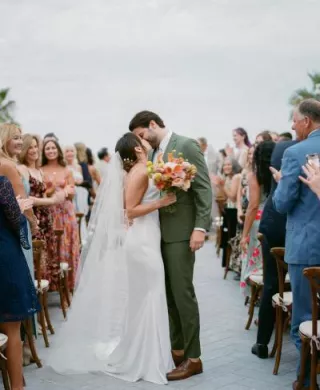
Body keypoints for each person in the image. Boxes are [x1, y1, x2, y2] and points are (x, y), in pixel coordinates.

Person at [47, 133, 177, 384]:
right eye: (141, 140)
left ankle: (148, 353)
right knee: (150, 294)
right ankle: (145, 358)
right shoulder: (139, 172)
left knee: (146, 296)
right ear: (138, 148)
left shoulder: (143, 168)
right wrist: (162, 202)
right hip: (141, 240)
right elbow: (129, 209)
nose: (146, 140)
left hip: (146, 236)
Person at [130, 110, 212, 381]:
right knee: (169, 297)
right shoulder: (153, 154)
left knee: (183, 294)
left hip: (181, 233)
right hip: (157, 234)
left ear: (153, 124)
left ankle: (194, 358)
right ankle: (178, 351)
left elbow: (202, 188)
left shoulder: (186, 145)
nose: (142, 141)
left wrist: (200, 228)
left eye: (143, 135)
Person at [272, 99, 320, 390]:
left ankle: (305, 377)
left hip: (305, 245)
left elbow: (281, 203)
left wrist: (280, 184)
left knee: (303, 315)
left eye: (294, 120)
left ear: (307, 121)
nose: (292, 125)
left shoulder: (295, 152)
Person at [251, 139, 297, 359]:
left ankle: (262, 343)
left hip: (273, 224)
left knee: (271, 284)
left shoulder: (282, 147)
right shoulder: (298, 150)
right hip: (291, 226)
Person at [0, 169, 40, 390]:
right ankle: (16, 386)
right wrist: (19, 209)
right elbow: (17, 223)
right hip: (4, 258)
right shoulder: (2, 184)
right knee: (11, 329)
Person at [42, 139, 80, 292]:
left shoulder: (67, 170)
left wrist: (66, 191)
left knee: (67, 245)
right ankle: (53, 285)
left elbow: (72, 193)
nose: (50, 151)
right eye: (47, 149)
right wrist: (51, 191)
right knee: (53, 248)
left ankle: (68, 287)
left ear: (58, 150)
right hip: (50, 212)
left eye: (53, 148)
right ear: (43, 152)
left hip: (66, 212)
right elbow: (41, 192)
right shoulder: (40, 169)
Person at [240, 141, 275, 296]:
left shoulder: (254, 176)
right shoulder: (277, 174)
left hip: (258, 222)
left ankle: (257, 296)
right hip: (274, 218)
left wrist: (244, 234)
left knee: (256, 262)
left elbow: (253, 206)